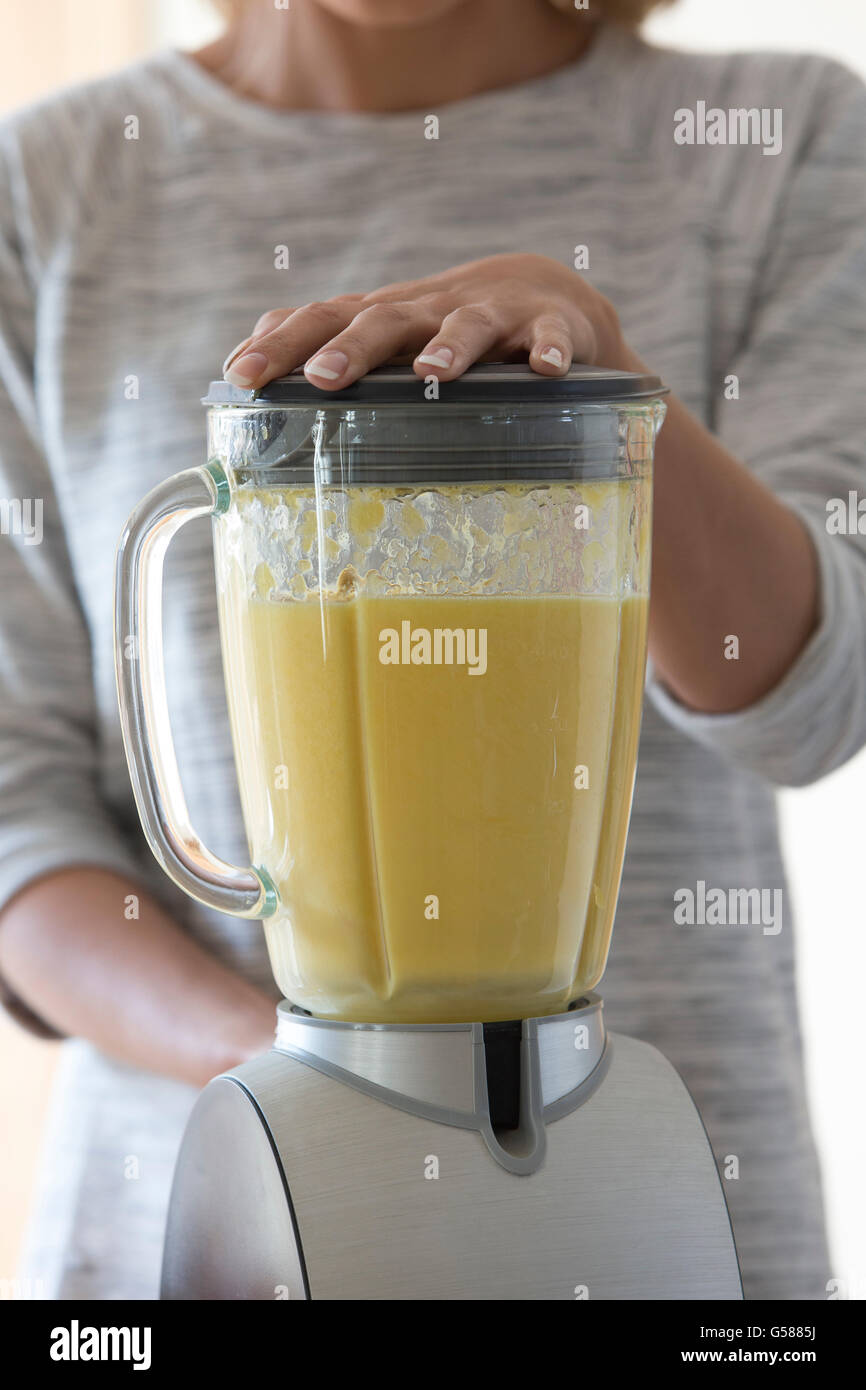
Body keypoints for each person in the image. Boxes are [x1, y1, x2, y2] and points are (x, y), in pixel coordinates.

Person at [0, 0, 864, 1301]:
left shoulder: (781, 140)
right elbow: (16, 812)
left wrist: (610, 396)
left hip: (647, 1229)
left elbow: (804, 697)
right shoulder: (44, 191)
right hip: (208, 1226)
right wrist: (339, 1092)